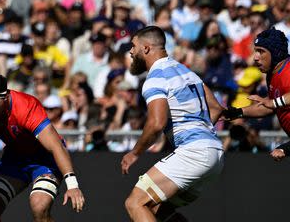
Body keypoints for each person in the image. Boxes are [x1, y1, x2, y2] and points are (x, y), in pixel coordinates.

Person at [121, 26, 224, 222]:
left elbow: (156, 123)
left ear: (147, 48)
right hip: (215, 154)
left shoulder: (155, 77)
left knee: (135, 203)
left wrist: (135, 153)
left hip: (194, 153)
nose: (131, 51)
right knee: (159, 209)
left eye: (133, 46)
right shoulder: (188, 72)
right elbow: (217, 109)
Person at [0, 74, 85, 222]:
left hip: (45, 159)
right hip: (15, 157)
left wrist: (72, 185)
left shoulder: (26, 107)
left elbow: (56, 146)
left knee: (39, 206)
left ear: (5, 97)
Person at [223, 28, 290, 161]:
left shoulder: (288, 71)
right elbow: (268, 106)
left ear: (276, 53)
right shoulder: (272, 74)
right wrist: (236, 113)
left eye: (261, 51)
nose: (255, 57)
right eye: (255, 51)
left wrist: (286, 148)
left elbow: (274, 103)